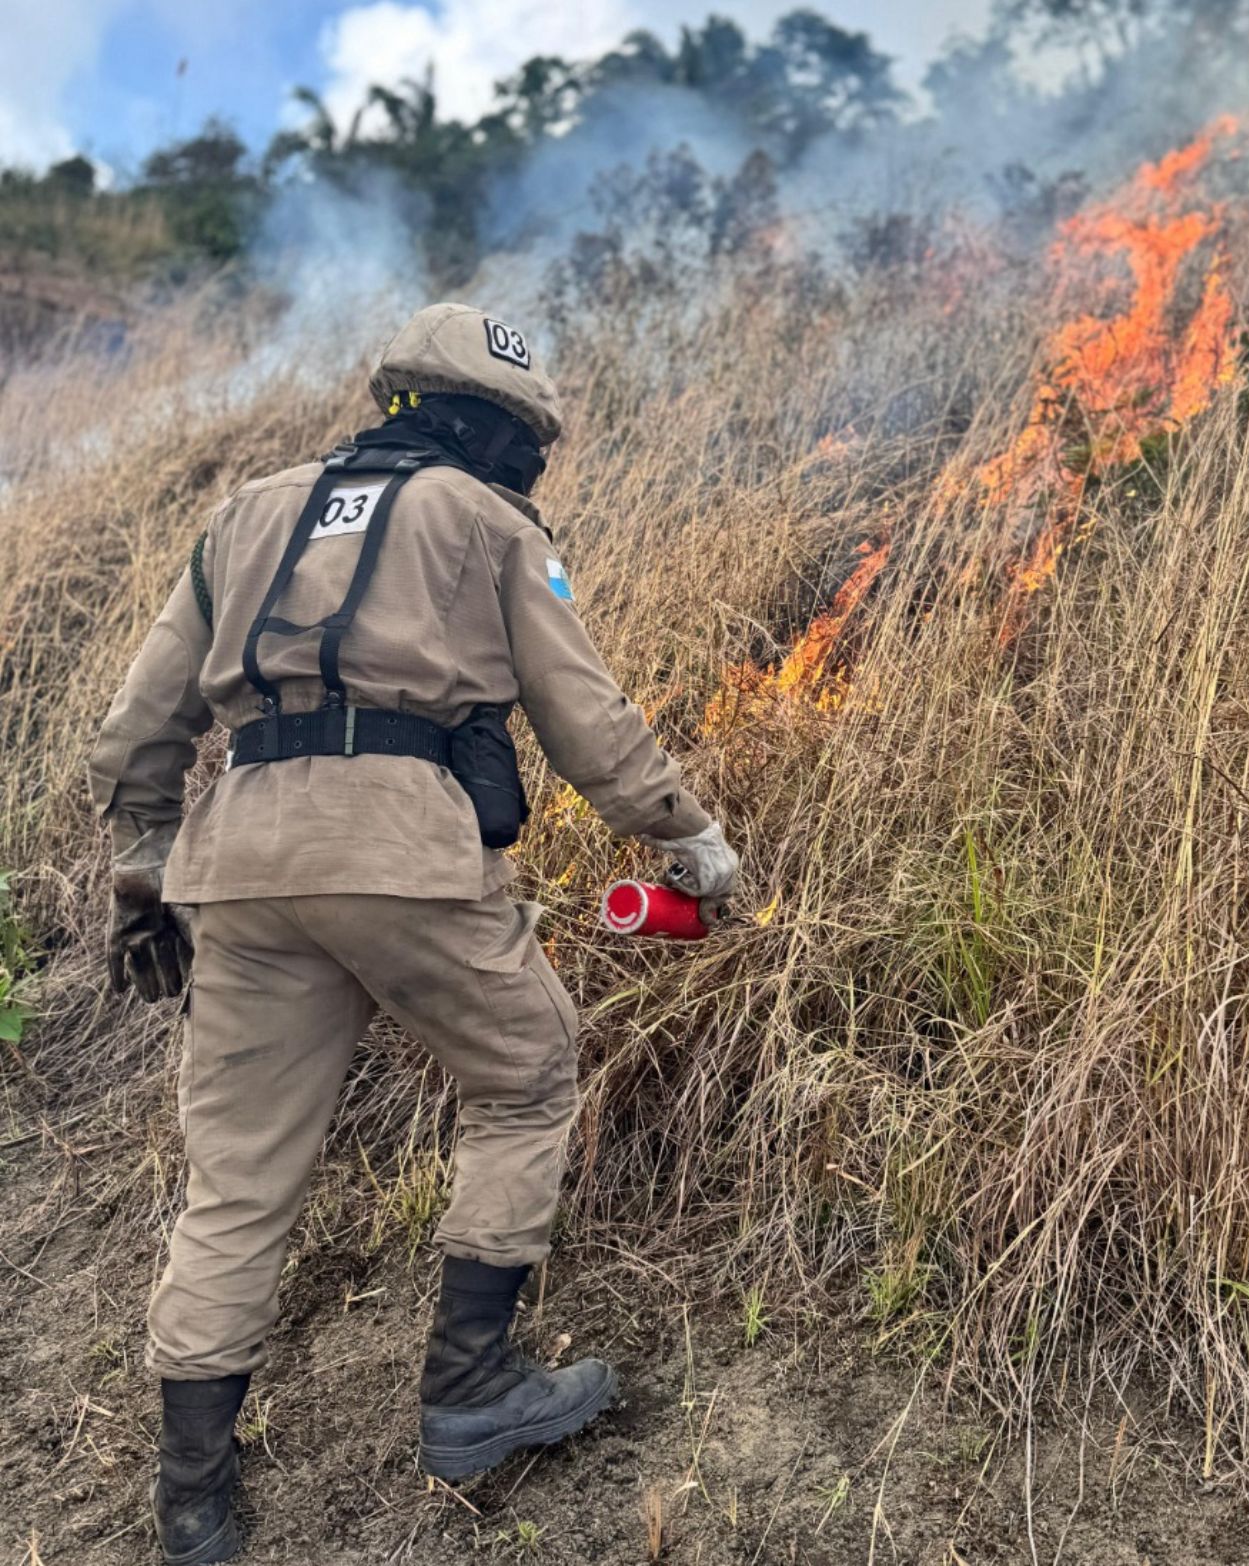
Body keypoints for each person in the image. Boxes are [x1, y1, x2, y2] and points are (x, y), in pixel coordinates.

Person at [89, 302, 739, 1565]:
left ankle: (193, 1507)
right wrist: (688, 837)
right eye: (526, 440)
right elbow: (584, 713)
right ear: (495, 426)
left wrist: (140, 870)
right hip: (393, 845)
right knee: (528, 1073)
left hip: (238, 858)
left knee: (237, 1182)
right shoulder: (486, 519)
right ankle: (471, 1393)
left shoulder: (247, 512)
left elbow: (139, 724)